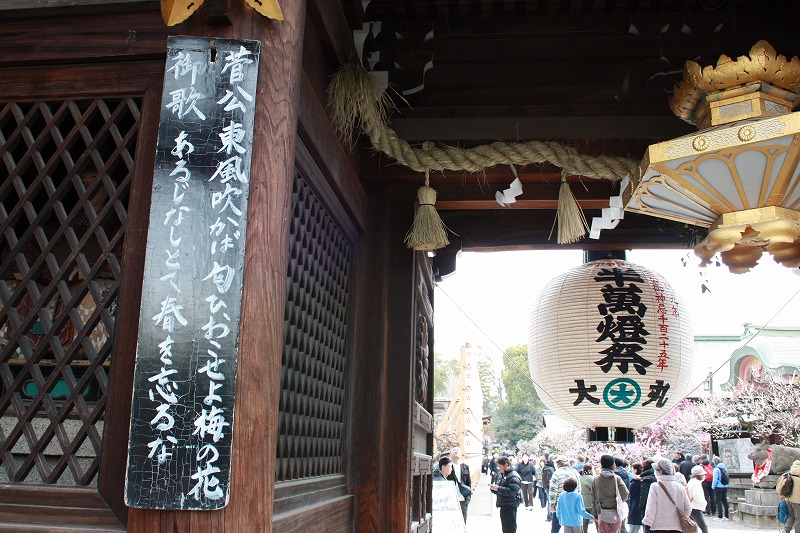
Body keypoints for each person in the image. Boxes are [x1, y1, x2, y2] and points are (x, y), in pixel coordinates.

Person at [642, 459, 692, 533]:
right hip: (677, 527)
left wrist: (647, 522)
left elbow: (651, 508)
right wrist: (682, 518)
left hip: (659, 527)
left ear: (660, 472)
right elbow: (688, 508)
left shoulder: (655, 486)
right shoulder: (680, 487)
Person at [593, 454, 629, 533]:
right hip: (615, 511)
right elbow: (625, 494)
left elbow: (593, 497)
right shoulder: (617, 478)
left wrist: (595, 513)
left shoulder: (596, 479)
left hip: (601, 511)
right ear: (612, 465)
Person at [490, 456, 522, 533]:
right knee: (505, 528)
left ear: (506, 465)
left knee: (510, 528)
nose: (499, 469)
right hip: (504, 504)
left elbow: (512, 491)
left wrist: (498, 489)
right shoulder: (502, 475)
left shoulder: (513, 476)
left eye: (500, 467)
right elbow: (500, 488)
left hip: (510, 505)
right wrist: (494, 489)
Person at [550, 455, 581, 533]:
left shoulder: (556, 474)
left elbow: (553, 491)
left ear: (558, 464)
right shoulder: (574, 472)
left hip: (560, 506)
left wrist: (552, 505)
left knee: (555, 528)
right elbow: (579, 489)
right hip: (573, 505)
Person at [447, 446, 472, 523]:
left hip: (463, 499)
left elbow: (468, 482)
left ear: (461, 454)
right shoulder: (447, 466)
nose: (456, 451)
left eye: (458, 450)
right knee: (451, 522)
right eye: (454, 450)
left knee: (462, 522)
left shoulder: (465, 467)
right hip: (450, 499)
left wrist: (468, 498)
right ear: (450, 454)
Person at [777, 459, 800, 533]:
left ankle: (786, 529)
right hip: (797, 501)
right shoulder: (798, 478)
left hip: (788, 499)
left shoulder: (787, 475)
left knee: (791, 515)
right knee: (798, 518)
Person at [687, 465, 709, 533]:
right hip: (695, 506)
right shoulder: (697, 483)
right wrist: (704, 502)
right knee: (704, 527)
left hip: (690, 506)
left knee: (691, 526)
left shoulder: (691, 481)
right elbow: (697, 495)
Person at [637, 459, 656, 533]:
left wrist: (640, 507)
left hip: (647, 507)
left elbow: (643, 495)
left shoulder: (646, 479)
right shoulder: (656, 476)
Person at [579, 464, 596, 533]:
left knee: (585, 520)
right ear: (589, 470)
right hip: (591, 500)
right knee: (596, 519)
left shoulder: (580, 477)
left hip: (582, 500)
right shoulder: (592, 478)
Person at [627, 463, 643, 533]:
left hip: (635, 504)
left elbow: (631, 493)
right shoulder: (644, 479)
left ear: (635, 470)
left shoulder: (636, 481)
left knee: (633, 528)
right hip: (641, 504)